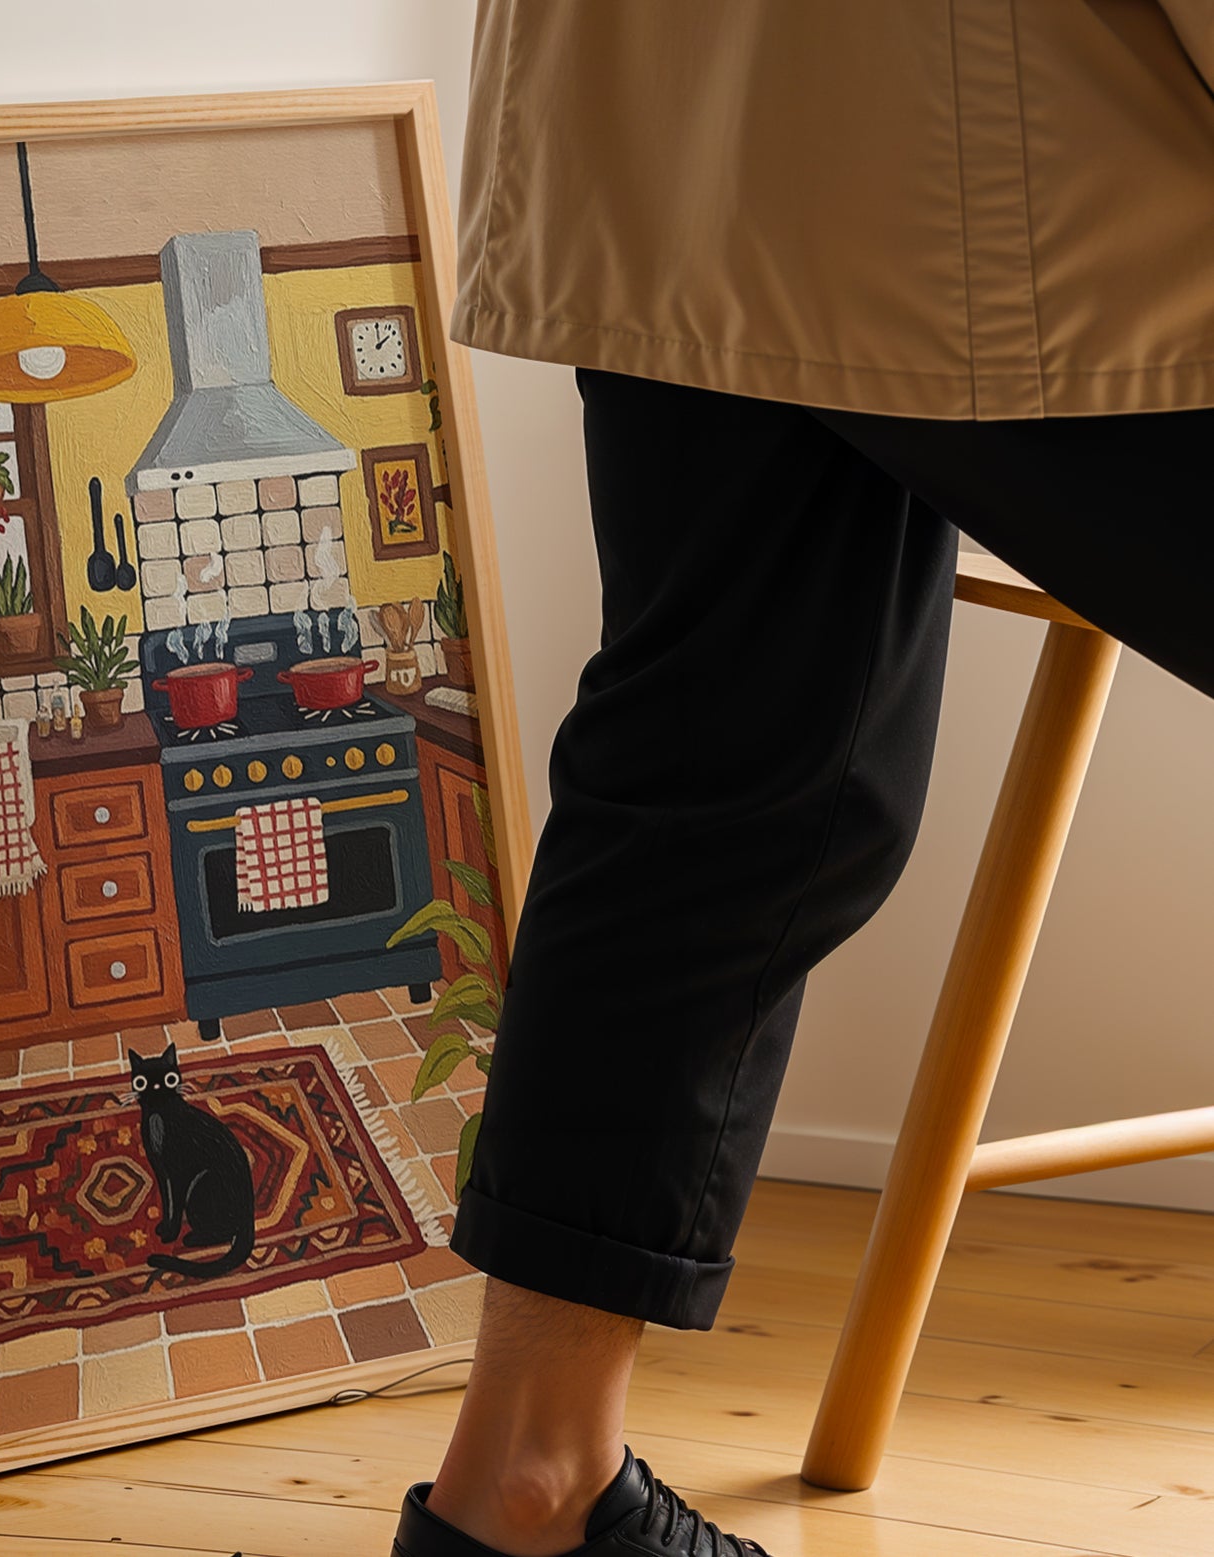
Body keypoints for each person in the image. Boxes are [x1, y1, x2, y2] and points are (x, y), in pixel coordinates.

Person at [391, 6, 1214, 1555]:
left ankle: (525, 1490)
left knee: (722, 772)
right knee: (728, 764)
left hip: (664, 120)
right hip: (1019, 140)